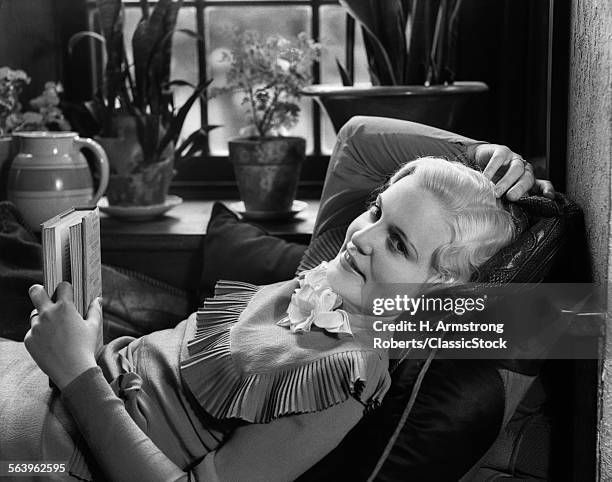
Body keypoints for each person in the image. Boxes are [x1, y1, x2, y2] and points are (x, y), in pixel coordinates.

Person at [0, 117, 555, 481]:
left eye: (398, 244)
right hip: (63, 373)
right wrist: (475, 155)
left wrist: (77, 373)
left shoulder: (341, 379)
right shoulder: (330, 277)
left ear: (435, 292)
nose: (361, 236)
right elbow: (359, 138)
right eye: (379, 210)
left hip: (61, 449)